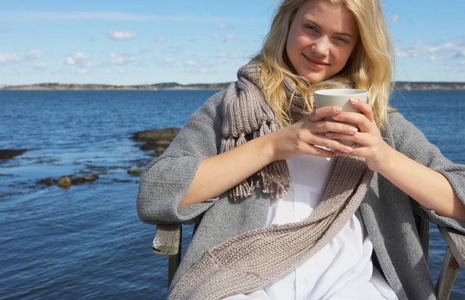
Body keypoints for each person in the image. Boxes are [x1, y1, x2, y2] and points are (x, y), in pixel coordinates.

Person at [137, 0, 465, 299]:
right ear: (288, 23)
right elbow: (155, 194)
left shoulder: (378, 123)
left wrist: (384, 157)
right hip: (242, 282)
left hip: (350, 285)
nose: (321, 48)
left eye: (341, 38)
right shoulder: (232, 108)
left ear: (357, 48)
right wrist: (272, 146)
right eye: (311, 28)